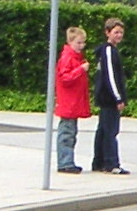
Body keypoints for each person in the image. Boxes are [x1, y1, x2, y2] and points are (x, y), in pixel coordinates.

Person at [90, 18, 129, 174]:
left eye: (121, 32)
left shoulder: (110, 50)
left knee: (103, 130)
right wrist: (118, 97)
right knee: (110, 131)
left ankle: (99, 161)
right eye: (116, 32)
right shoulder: (108, 51)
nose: (119, 35)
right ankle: (111, 163)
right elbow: (110, 76)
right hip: (108, 98)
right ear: (107, 32)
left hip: (106, 97)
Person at [54, 25, 91, 173]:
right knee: (67, 134)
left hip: (72, 103)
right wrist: (80, 70)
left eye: (83, 43)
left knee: (70, 133)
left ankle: (67, 160)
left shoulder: (74, 58)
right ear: (70, 42)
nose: (81, 46)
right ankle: (65, 162)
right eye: (79, 43)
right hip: (69, 103)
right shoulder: (68, 58)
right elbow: (65, 78)